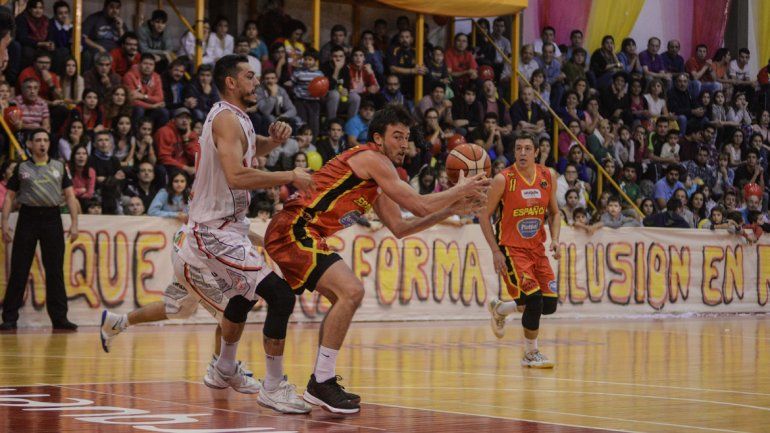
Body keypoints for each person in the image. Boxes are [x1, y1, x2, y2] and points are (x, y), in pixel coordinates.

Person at [99, 54, 314, 414]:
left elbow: (248, 149)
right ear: (231, 82)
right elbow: (236, 176)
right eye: (249, 76)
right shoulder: (226, 119)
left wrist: (272, 143)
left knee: (227, 302)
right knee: (276, 296)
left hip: (219, 231)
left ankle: (222, 368)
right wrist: (290, 175)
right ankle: (269, 385)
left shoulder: (237, 120)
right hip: (209, 234)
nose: (256, 82)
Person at [264, 104, 489, 413]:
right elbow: (420, 205)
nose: (403, 144)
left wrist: (451, 209)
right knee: (352, 290)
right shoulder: (372, 159)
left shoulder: (376, 182)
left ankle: (320, 382)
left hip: (302, 233)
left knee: (346, 296)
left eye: (406, 137)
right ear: (378, 138)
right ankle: (321, 381)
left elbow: (401, 226)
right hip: (293, 228)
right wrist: (457, 190)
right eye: (397, 136)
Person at [481, 132, 561, 369]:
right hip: (512, 249)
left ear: (536, 152)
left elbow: (555, 213)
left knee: (548, 305)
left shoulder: (548, 176)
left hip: (537, 248)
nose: (522, 153)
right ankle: (530, 353)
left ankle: (501, 308)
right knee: (533, 300)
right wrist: (496, 251)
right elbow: (484, 217)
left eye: (527, 148)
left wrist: (555, 239)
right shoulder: (503, 179)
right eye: (518, 149)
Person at [0, 129, 80, 331]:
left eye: (45, 140)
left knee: (55, 271)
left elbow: (70, 196)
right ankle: (9, 318)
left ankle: (60, 319)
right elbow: (9, 197)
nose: (42, 144)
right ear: (30, 144)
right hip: (28, 218)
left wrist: (74, 223)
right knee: (19, 269)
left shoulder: (59, 167)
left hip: (52, 218)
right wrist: (4, 223)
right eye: (38, 140)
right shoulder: (21, 168)